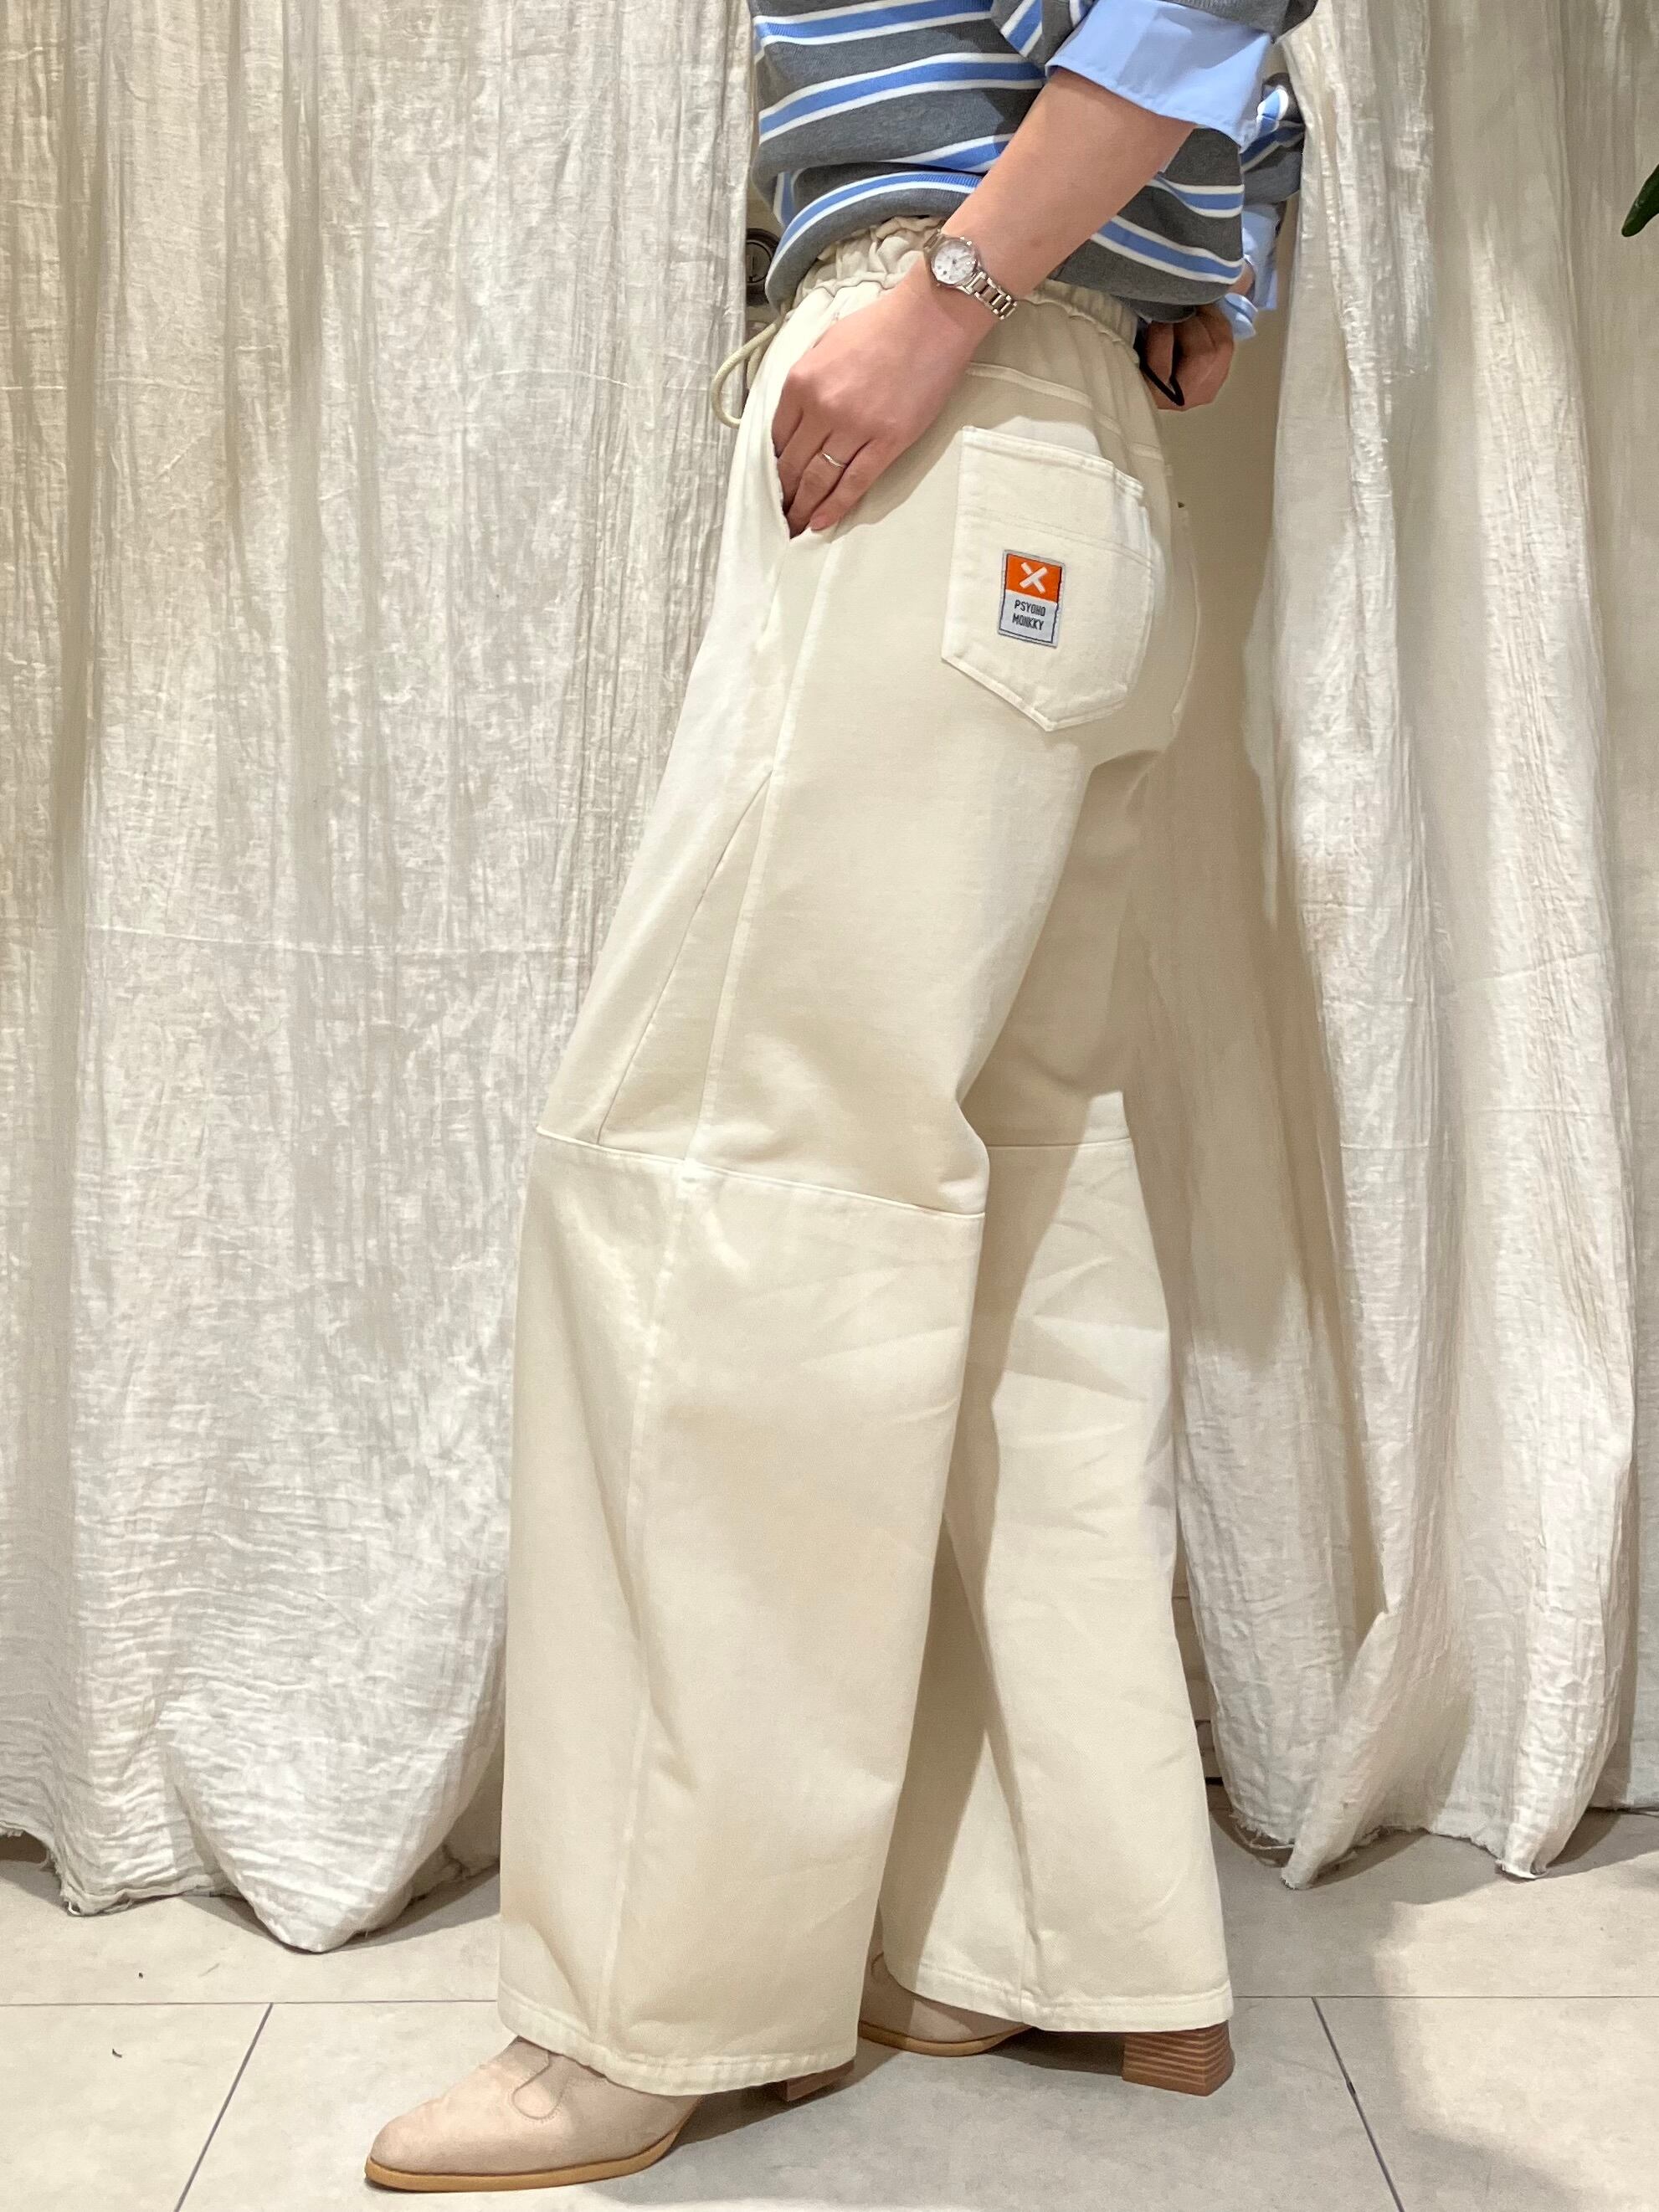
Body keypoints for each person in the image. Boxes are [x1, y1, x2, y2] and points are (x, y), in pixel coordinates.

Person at [367, 0, 1315, 2191]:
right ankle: (1052, 1928)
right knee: (1022, 1202)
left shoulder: (953, 307)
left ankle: (659, 2009)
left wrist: (954, 290)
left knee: (717, 1186)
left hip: (950, 407)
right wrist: (1198, 257)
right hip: (1076, 457)